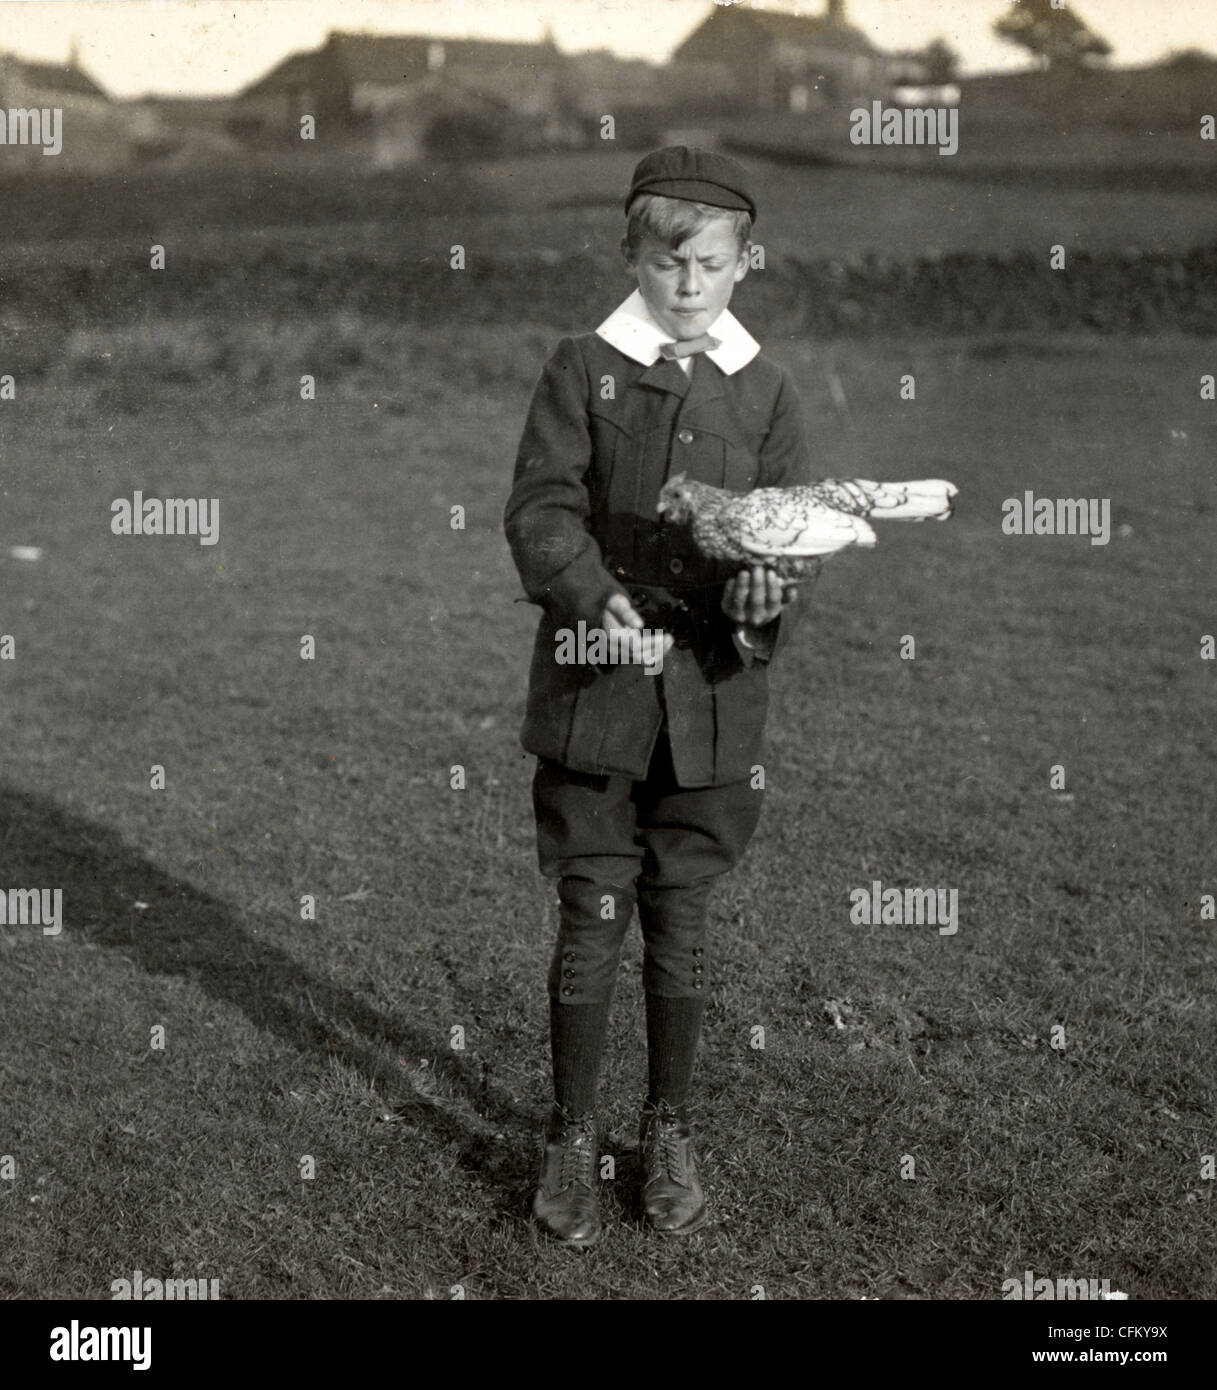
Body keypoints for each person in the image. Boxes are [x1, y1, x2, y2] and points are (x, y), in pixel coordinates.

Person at [504, 146, 817, 1246]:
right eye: (664, 262)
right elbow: (541, 512)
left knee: (678, 929)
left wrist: (765, 590)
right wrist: (593, 594)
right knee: (592, 922)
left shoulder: (766, 388)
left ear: (744, 264)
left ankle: (667, 1130)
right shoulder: (579, 366)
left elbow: (781, 537)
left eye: (710, 264)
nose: (687, 285)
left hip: (712, 714)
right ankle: (568, 1138)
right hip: (596, 701)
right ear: (630, 257)